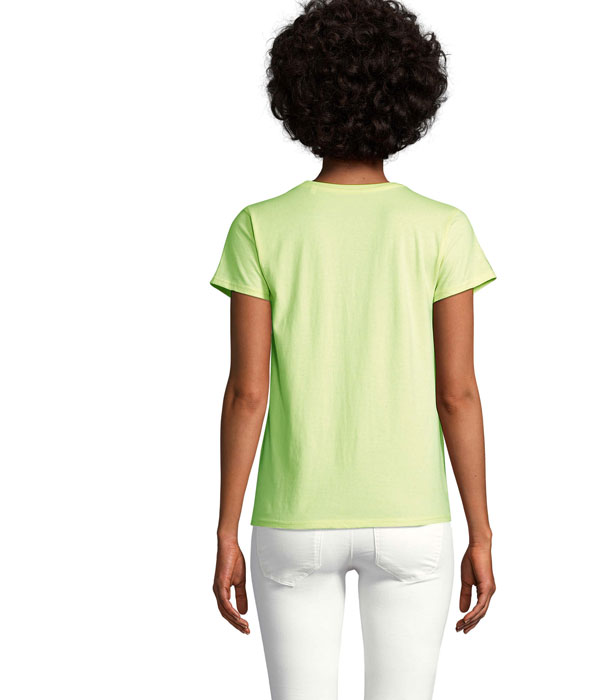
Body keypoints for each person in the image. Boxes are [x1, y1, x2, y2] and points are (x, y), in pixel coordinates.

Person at [210, 0, 496, 697]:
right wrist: (481, 533)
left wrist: (225, 531)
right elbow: (457, 394)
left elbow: (248, 393)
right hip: (411, 519)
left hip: (293, 518)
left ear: (299, 96)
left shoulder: (260, 227)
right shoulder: (442, 228)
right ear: (409, 98)